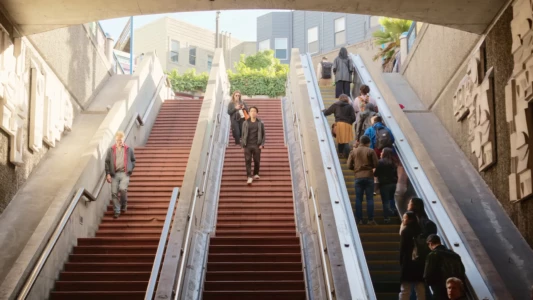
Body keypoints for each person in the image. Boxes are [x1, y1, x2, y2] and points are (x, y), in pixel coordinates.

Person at [347, 135, 378, 225]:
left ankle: (359, 219)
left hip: (358, 177)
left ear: (360, 142)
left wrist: (356, 169)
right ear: (368, 143)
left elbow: (349, 165)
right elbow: (376, 164)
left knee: (358, 199)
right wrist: (369, 167)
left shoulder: (353, 152)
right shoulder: (371, 151)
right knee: (370, 199)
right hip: (369, 177)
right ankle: (370, 219)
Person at [105, 131, 136, 219]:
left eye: (121, 140)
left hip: (124, 173)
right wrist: (107, 174)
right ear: (115, 140)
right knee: (114, 193)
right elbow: (107, 162)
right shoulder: (111, 150)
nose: (120, 142)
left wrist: (130, 168)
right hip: (114, 174)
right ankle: (117, 211)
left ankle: (124, 204)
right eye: (118, 140)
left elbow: (133, 160)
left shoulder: (128, 149)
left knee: (122, 189)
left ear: (123, 140)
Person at [424, 234, 466, 300]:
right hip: (456, 292)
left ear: (430, 243)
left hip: (439, 292)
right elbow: (462, 272)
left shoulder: (433, 255)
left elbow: (427, 276)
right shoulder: (455, 255)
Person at [399, 211, 426, 300]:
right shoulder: (420, 230)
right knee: (420, 287)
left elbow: (403, 248)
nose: (403, 219)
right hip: (420, 262)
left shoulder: (405, 231)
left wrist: (401, 261)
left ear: (410, 220)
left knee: (405, 288)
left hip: (408, 262)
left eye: (405, 218)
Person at [323, 94, 356, 158]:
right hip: (347, 124)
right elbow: (353, 118)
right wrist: (349, 122)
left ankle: (340, 153)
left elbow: (327, 112)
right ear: (347, 99)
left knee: (340, 139)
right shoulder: (349, 106)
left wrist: (324, 110)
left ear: (339, 98)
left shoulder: (335, 105)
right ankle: (347, 154)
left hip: (339, 124)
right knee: (346, 140)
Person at [241, 106, 265, 185]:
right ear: (249, 113)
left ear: (257, 113)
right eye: (251, 111)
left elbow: (263, 135)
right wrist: (242, 144)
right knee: (247, 161)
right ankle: (249, 176)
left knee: (257, 160)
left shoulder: (260, 123)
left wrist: (262, 144)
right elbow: (243, 134)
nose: (253, 112)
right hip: (247, 145)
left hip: (256, 145)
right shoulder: (245, 123)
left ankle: (256, 173)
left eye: (254, 111)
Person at [374, 147, 398, 223]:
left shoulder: (380, 162)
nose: (380, 153)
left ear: (385, 153)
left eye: (382, 152)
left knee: (385, 201)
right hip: (394, 184)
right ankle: (394, 212)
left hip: (384, 185)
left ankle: (387, 218)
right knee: (392, 199)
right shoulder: (394, 162)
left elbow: (376, 174)